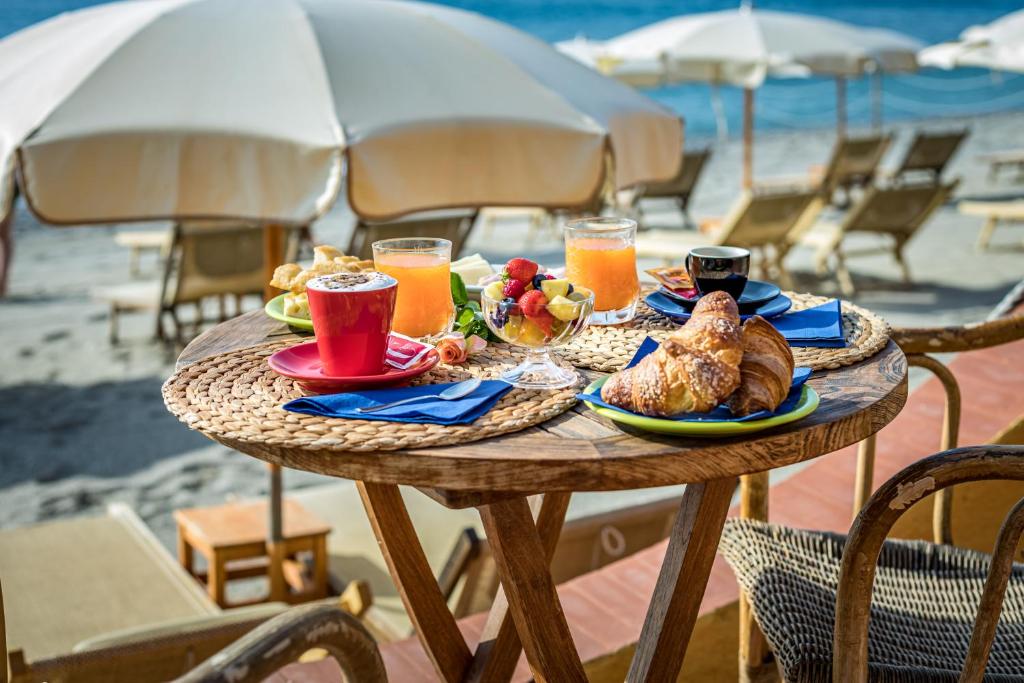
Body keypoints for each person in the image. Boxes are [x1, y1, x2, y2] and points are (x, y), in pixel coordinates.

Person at [0, 184, 16, 298]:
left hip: (8, 177)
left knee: (3, 231)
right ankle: (3, 284)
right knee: (4, 232)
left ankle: (3, 284)